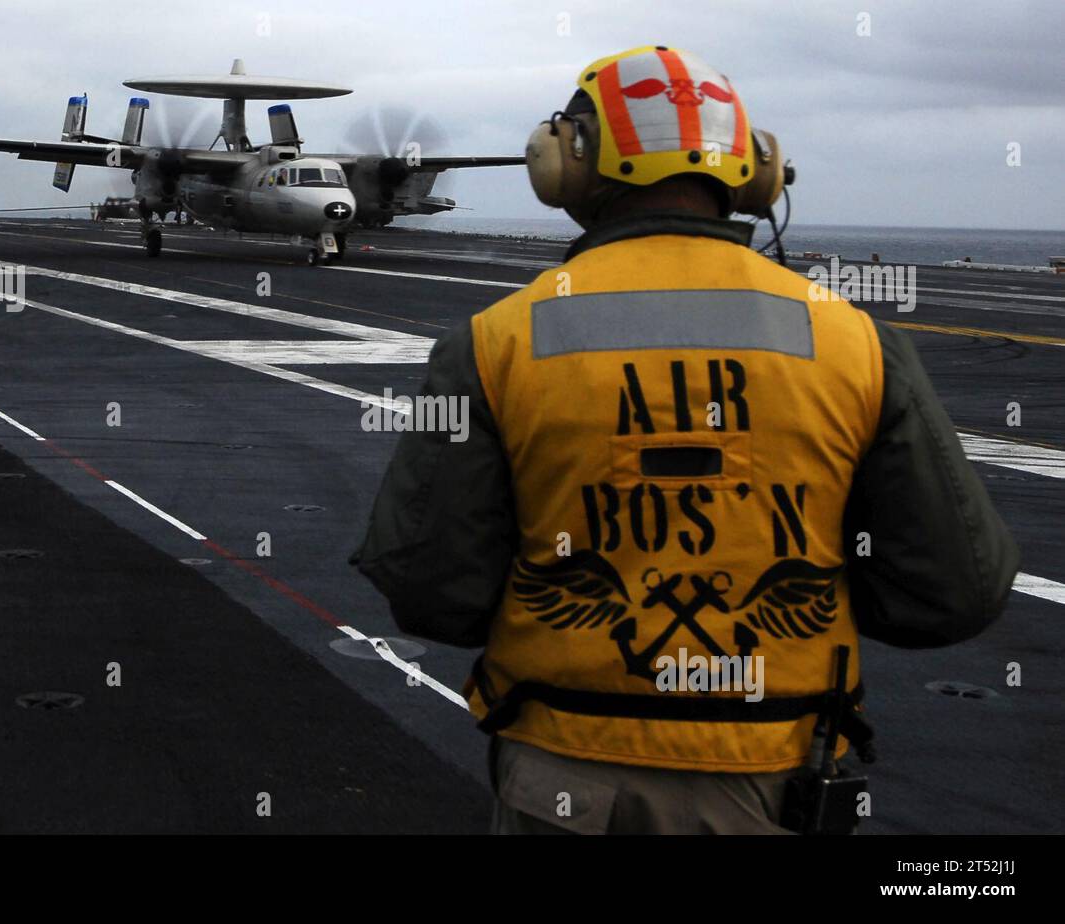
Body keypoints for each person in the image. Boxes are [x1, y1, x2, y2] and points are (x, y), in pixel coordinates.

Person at [350, 45, 1019, 834]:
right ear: (757, 171)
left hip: (567, 778)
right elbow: (951, 595)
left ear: (567, 164)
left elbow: (431, 591)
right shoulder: (855, 341)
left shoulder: (496, 341)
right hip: (780, 778)